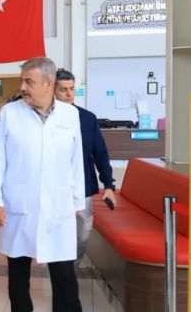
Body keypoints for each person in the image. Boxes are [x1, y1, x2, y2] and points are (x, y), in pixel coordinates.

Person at [0, 57, 85, 312]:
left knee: (64, 276)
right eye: (23, 81)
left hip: (58, 207)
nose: (23, 87)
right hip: (19, 205)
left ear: (48, 84)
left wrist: (77, 202)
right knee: (18, 276)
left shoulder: (70, 114)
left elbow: (76, 161)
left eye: (29, 82)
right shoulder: (10, 113)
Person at [54, 69, 117, 266]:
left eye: (72, 89)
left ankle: (71, 267)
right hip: (54, 185)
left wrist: (108, 185)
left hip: (83, 186)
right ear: (53, 90)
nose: (69, 94)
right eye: (63, 89)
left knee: (82, 233)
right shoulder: (47, 118)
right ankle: (60, 269)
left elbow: (100, 152)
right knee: (56, 231)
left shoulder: (87, 118)